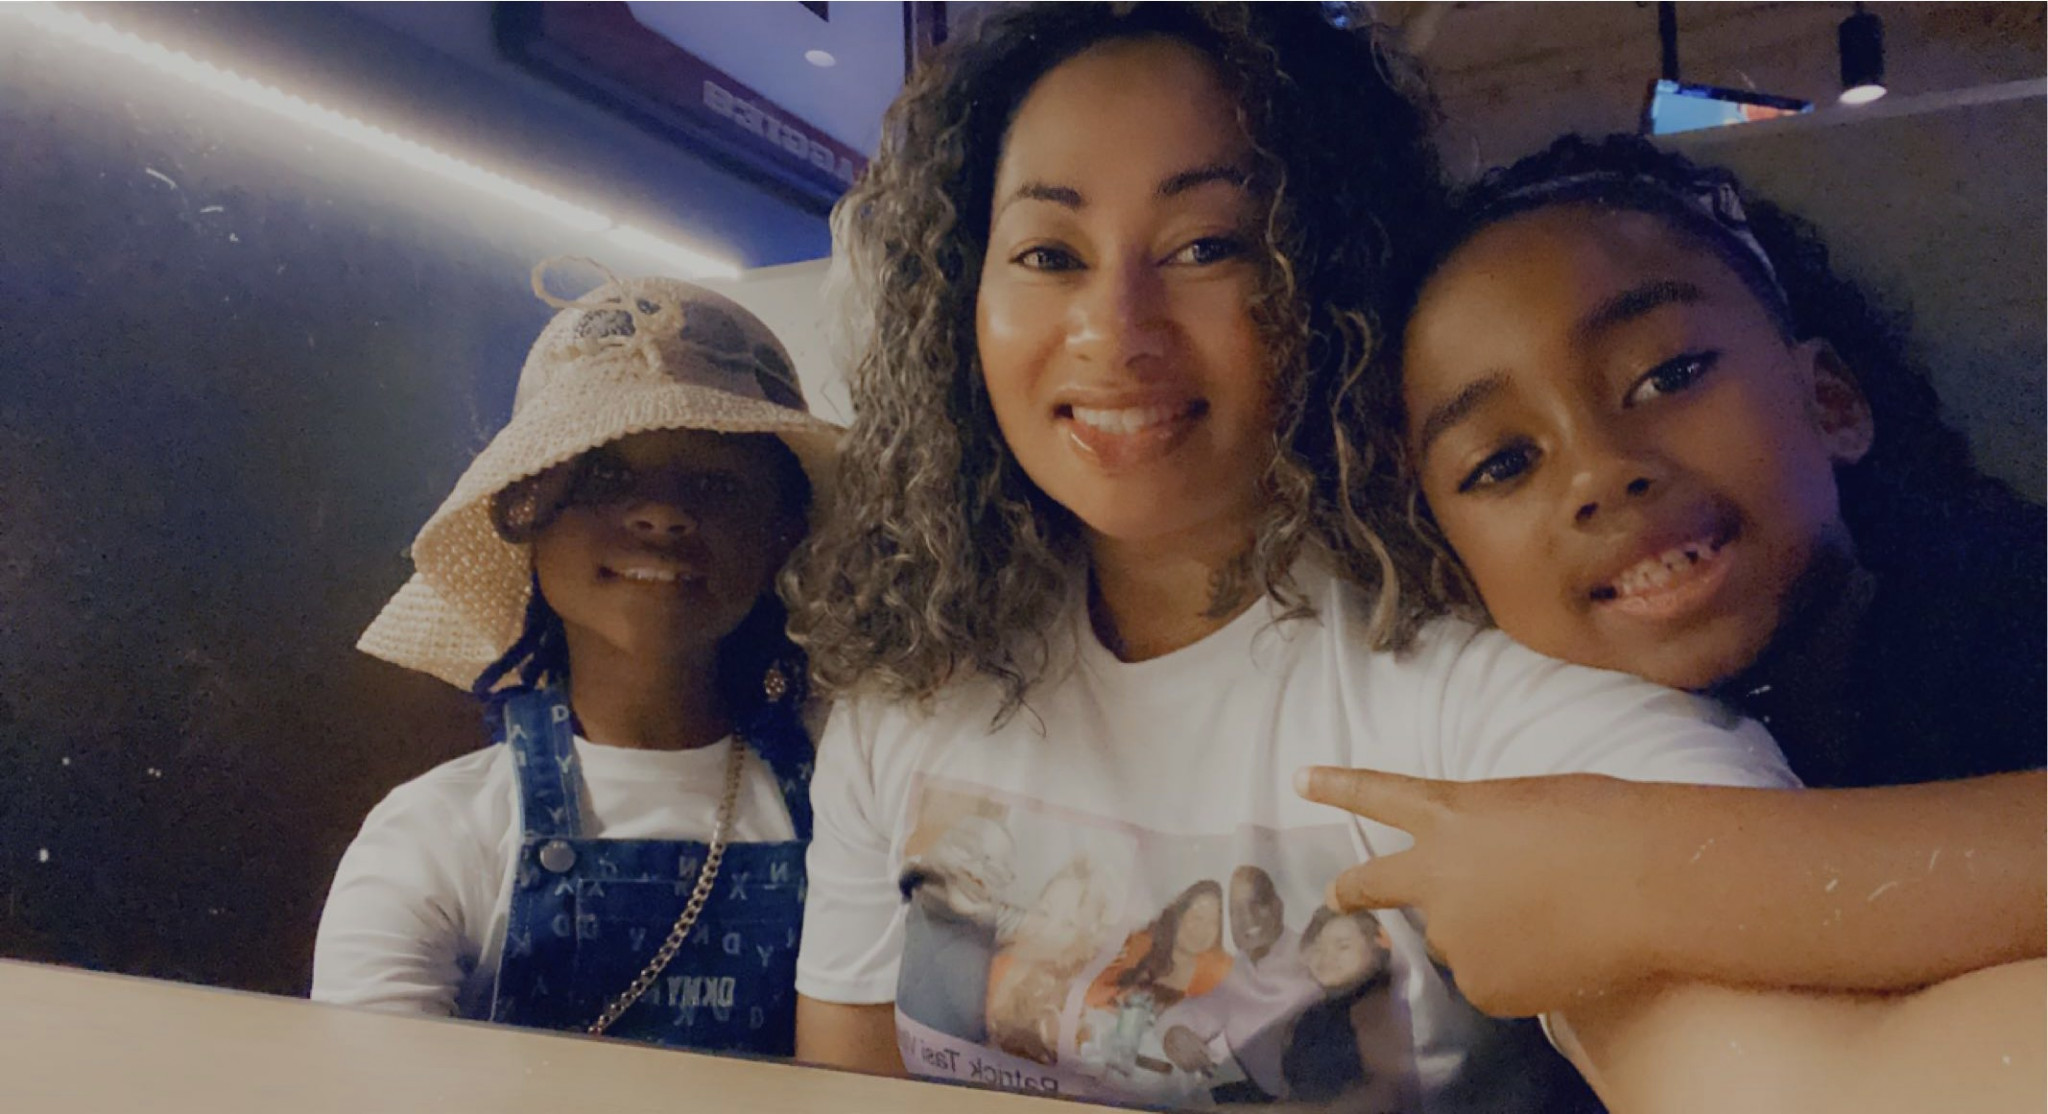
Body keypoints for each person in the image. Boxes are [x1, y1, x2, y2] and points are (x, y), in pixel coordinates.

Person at [784, 7, 1797, 1110]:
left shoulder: (1479, 679)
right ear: (959, 304)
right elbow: (846, 1088)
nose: (1113, 329)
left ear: (1328, 280)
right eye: (1047, 255)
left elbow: (1793, 1039)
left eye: (1206, 247)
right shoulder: (909, 681)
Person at [1296, 134, 2042, 1112]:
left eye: (1666, 375)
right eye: (1502, 463)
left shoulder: (2012, 611)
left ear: (1828, 401)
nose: (1599, 471)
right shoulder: (1509, 767)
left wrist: (1648, 876)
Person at [311, 263, 840, 1055]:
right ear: (526, 515)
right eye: (605, 473)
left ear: (784, 534)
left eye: (716, 483)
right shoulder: (436, 835)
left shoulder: (854, 798)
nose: (663, 514)